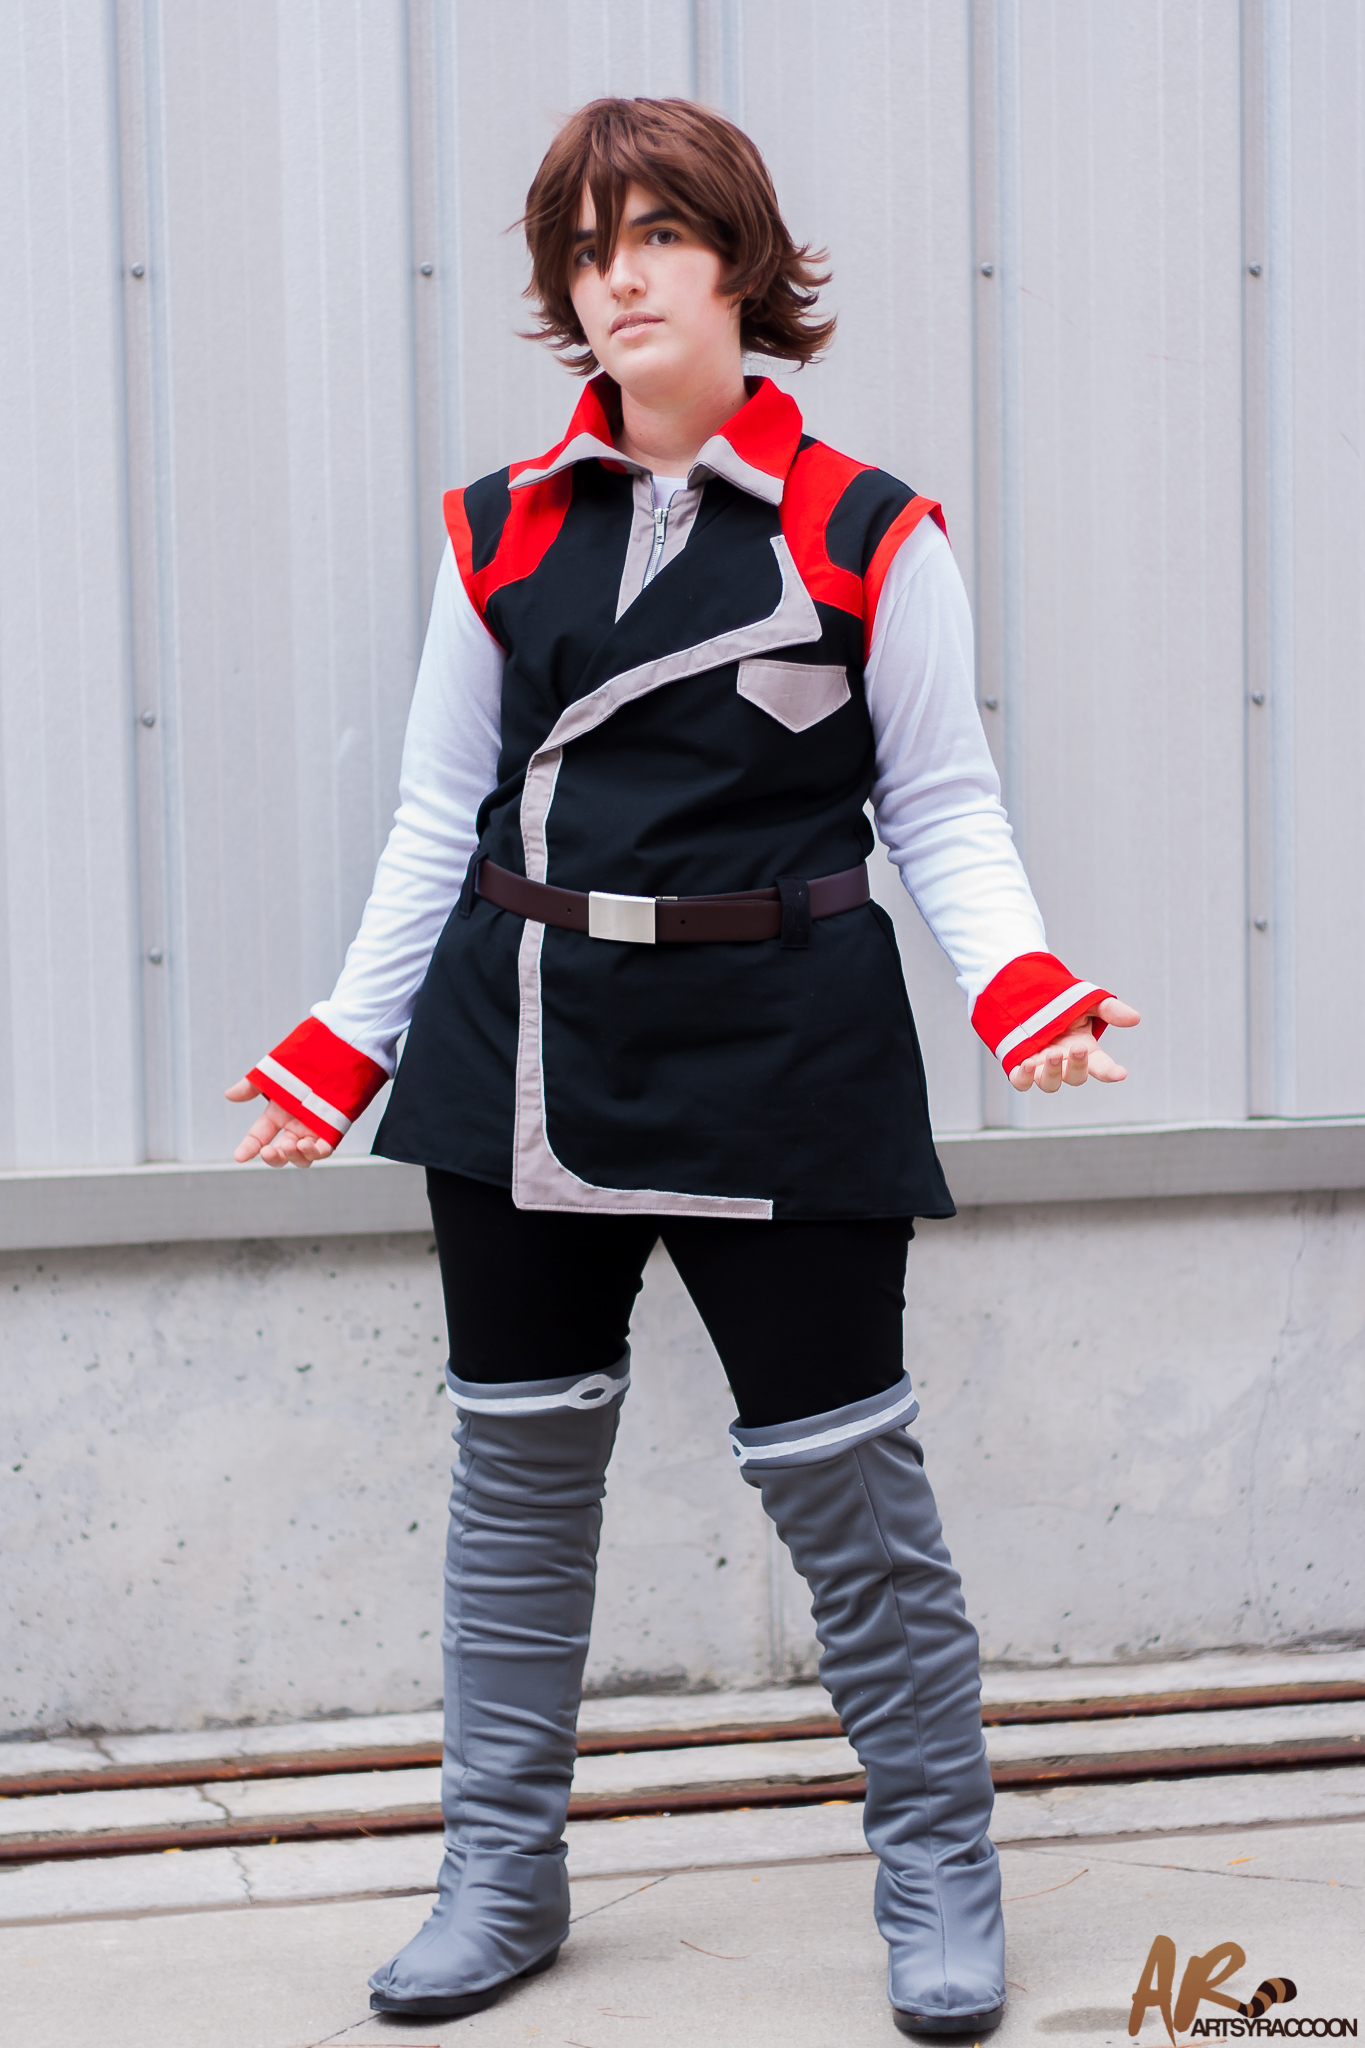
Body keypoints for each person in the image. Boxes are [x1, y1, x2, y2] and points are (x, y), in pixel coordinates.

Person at [229, 97, 1138, 2037]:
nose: (617, 276)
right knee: (516, 1481)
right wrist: (338, 1043)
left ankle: (937, 1866)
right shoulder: (498, 524)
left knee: (844, 1486)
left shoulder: (864, 526)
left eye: (655, 233)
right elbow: (436, 810)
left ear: (740, 262)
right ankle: (497, 1872)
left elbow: (940, 799)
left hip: (783, 1050)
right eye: (584, 246)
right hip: (523, 1043)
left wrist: (1022, 985)